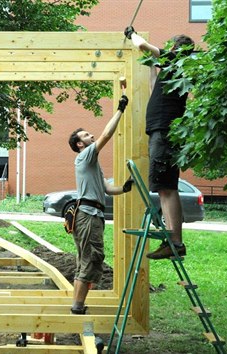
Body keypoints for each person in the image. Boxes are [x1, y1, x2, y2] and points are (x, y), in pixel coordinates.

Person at [124, 26, 195, 260]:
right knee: (165, 186)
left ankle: (175, 241)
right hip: (161, 131)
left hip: (164, 131)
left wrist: (132, 34)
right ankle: (173, 240)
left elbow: (142, 45)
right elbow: (154, 86)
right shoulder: (173, 73)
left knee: (166, 187)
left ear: (175, 48)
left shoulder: (177, 59)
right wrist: (154, 68)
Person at [67, 95, 132, 315]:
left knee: (86, 258)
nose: (91, 135)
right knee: (92, 257)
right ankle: (77, 307)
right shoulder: (85, 156)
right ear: (79, 144)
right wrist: (120, 110)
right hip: (88, 214)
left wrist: (124, 187)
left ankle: (78, 304)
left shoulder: (92, 163)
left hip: (92, 214)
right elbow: (106, 135)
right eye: (86, 135)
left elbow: (106, 189)